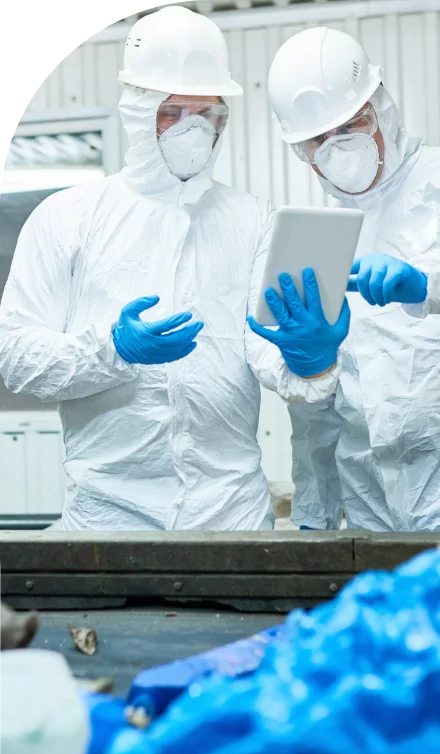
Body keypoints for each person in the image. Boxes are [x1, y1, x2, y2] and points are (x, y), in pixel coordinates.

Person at [0, 8, 348, 533]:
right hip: (106, 518)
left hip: (231, 516)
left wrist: (310, 360)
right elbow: (16, 359)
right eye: (174, 111)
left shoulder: (252, 218)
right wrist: (111, 350)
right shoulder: (67, 217)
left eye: (208, 113)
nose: (194, 130)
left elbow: (264, 348)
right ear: (138, 112)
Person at [267, 26, 440, 532]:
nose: (336, 148)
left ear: (382, 108)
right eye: (317, 139)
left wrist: (429, 288)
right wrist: (314, 517)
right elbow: (318, 421)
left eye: (350, 125)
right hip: (370, 506)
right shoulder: (320, 239)